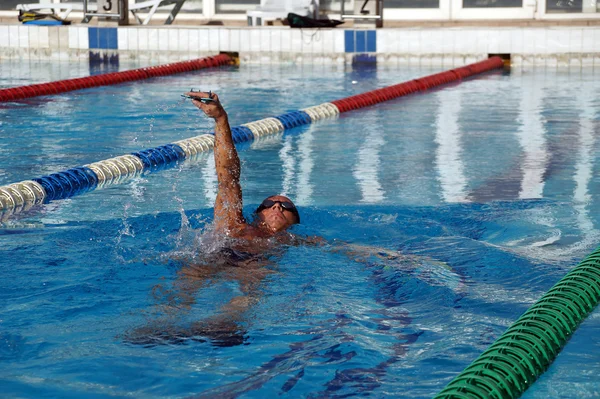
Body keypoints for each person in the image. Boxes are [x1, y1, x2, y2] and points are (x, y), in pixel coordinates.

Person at [185, 90, 301, 245]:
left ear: (296, 221)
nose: (277, 206)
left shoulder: (298, 242)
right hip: (216, 261)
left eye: (287, 206)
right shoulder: (235, 225)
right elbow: (228, 178)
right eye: (268, 204)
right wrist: (220, 119)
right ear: (257, 214)